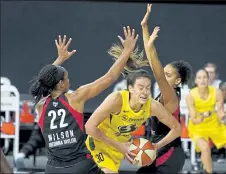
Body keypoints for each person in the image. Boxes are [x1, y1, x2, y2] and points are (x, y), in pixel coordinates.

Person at [29, 27, 139, 173]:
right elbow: (110, 77)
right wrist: (126, 51)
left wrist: (59, 60)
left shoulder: (41, 105)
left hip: (53, 169)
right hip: (79, 166)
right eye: (67, 78)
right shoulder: (75, 97)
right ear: (61, 84)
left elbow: (45, 81)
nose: (69, 80)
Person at [85, 46, 182, 173]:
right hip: (97, 144)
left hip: (119, 150)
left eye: (148, 88)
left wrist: (157, 145)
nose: (145, 92)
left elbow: (177, 128)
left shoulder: (152, 106)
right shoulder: (117, 100)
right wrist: (119, 146)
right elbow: (89, 127)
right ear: (130, 88)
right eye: (140, 87)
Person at [137, 4, 192, 173]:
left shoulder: (171, 96)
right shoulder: (165, 93)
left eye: (169, 75)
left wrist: (151, 47)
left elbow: (157, 71)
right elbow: (155, 67)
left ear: (178, 80)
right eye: (165, 73)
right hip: (161, 149)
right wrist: (144, 27)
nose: (163, 76)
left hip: (169, 152)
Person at [186, 69, 226, 173]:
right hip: (197, 127)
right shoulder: (190, 96)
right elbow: (194, 120)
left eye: (204, 77)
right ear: (196, 80)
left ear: (208, 79)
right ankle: (208, 172)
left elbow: (221, 111)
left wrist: (222, 116)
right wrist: (203, 115)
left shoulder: (217, 92)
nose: (202, 80)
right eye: (199, 77)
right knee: (205, 148)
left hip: (214, 124)